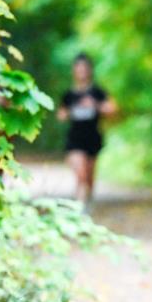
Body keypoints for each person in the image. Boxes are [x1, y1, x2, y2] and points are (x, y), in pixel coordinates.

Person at [57, 53, 118, 207]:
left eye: (85, 68)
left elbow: (113, 109)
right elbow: (61, 115)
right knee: (81, 174)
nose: (82, 71)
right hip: (74, 140)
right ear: (74, 71)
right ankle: (79, 208)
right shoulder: (69, 94)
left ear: (90, 70)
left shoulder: (97, 92)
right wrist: (72, 110)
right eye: (78, 68)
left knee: (89, 178)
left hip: (93, 138)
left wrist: (95, 105)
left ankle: (86, 204)